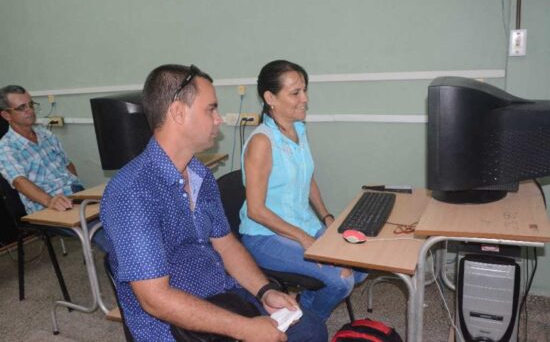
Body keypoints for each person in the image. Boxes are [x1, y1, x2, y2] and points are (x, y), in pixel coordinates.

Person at [100, 64, 327, 342]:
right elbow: (155, 299)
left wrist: (264, 291)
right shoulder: (133, 191)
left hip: (222, 296)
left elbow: (226, 244)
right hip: (174, 326)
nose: (219, 120)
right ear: (178, 112)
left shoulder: (200, 174)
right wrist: (244, 328)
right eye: (211, 109)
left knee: (311, 330)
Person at [239, 60, 367, 321]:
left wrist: (327, 219)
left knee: (363, 262)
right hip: (265, 236)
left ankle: (299, 306)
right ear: (270, 97)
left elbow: (307, 179)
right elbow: (256, 210)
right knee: (341, 280)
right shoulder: (262, 142)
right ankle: (305, 323)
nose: (305, 99)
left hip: (303, 225)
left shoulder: (298, 129)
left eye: (305, 90)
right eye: (295, 93)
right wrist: (305, 240)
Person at [0, 85, 108, 252]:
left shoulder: (45, 134)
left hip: (73, 195)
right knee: (104, 233)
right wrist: (50, 201)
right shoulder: (6, 148)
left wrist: (79, 192)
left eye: (31, 104)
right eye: (21, 108)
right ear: (6, 115)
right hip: (46, 206)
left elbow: (68, 165)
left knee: (123, 214)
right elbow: (20, 182)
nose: (29, 110)